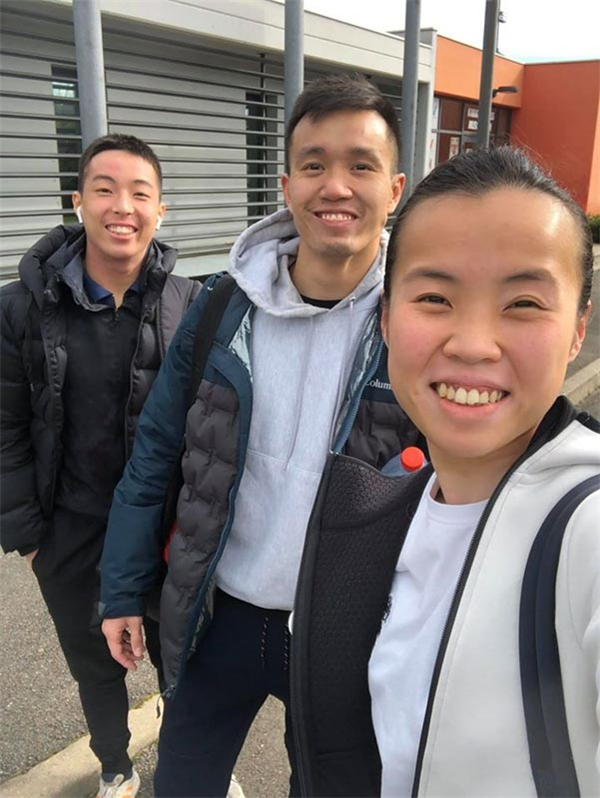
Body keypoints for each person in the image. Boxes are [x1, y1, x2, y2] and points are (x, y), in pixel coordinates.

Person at [99, 74, 422, 797]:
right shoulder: (223, 306)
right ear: (286, 183)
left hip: (346, 634)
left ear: (395, 188)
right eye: (313, 164)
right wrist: (121, 589)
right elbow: (156, 454)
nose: (335, 186)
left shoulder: (419, 320)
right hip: (220, 615)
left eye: (361, 165)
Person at [290, 146, 599, 797]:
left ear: (579, 329)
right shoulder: (377, 518)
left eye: (523, 303)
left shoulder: (588, 532)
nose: (473, 344)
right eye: (434, 297)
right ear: (385, 318)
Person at [0, 134, 200, 798]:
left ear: (160, 209)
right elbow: (6, 428)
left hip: (167, 529)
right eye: (105, 189)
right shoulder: (21, 307)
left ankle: (189, 762)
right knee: (94, 664)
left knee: (180, 656)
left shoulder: (191, 304)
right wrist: (30, 538)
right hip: (69, 529)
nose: (123, 207)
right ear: (78, 201)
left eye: (141, 193)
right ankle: (115, 765)